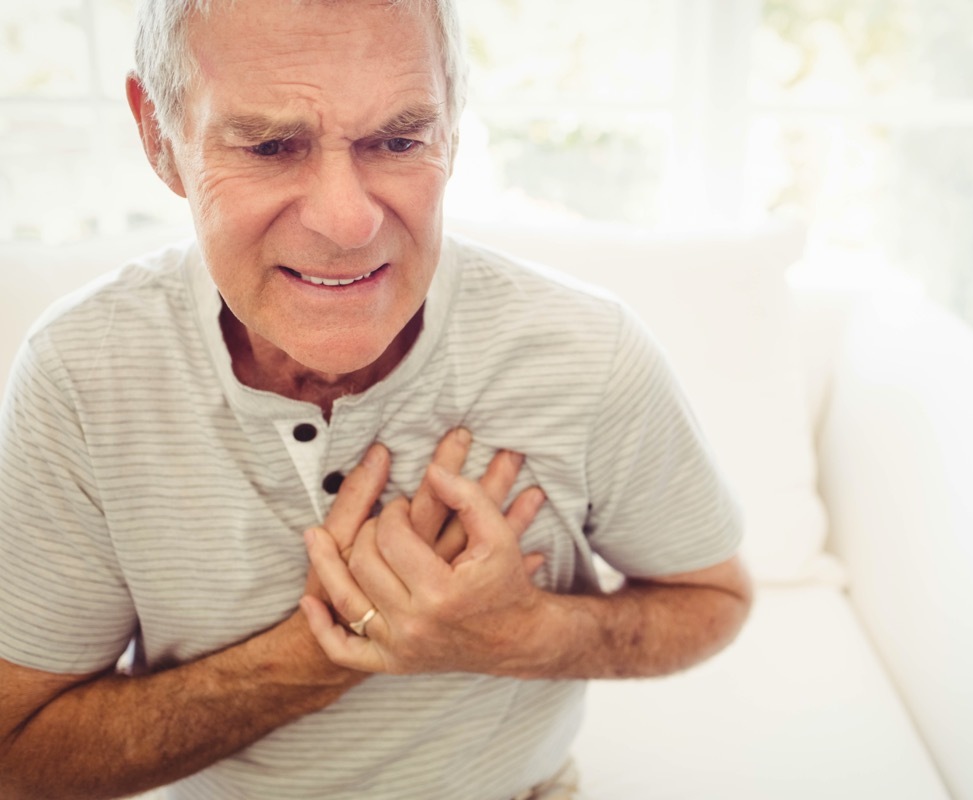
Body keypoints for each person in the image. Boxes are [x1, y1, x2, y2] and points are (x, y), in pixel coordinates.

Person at [0, 0, 752, 798]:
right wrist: (320, 652)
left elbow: (715, 599)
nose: (348, 221)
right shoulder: (81, 374)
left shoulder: (590, 352)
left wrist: (523, 633)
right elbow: (16, 756)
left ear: (454, 128)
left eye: (398, 140)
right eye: (269, 145)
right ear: (159, 136)